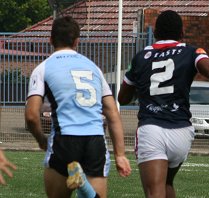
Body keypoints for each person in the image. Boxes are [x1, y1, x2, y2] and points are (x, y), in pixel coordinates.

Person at [118, 10, 209, 198]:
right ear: (182, 33)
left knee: (154, 192)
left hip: (152, 129)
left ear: (156, 33)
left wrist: (141, 86)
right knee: (167, 182)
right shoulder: (192, 52)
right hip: (182, 132)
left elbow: (122, 98)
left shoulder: (141, 57)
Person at [25, 16, 131, 198]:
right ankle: (86, 190)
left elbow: (32, 116)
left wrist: (41, 140)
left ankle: (83, 185)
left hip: (64, 140)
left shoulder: (43, 68)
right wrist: (120, 154)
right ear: (77, 41)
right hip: (95, 141)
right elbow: (112, 113)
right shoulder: (94, 68)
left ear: (50, 40)